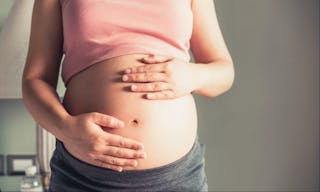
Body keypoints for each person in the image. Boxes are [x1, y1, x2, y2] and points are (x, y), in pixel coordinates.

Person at [22, 0, 234, 191]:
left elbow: (224, 71)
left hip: (175, 179)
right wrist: (66, 128)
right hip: (84, 178)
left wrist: (194, 75)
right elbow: (35, 79)